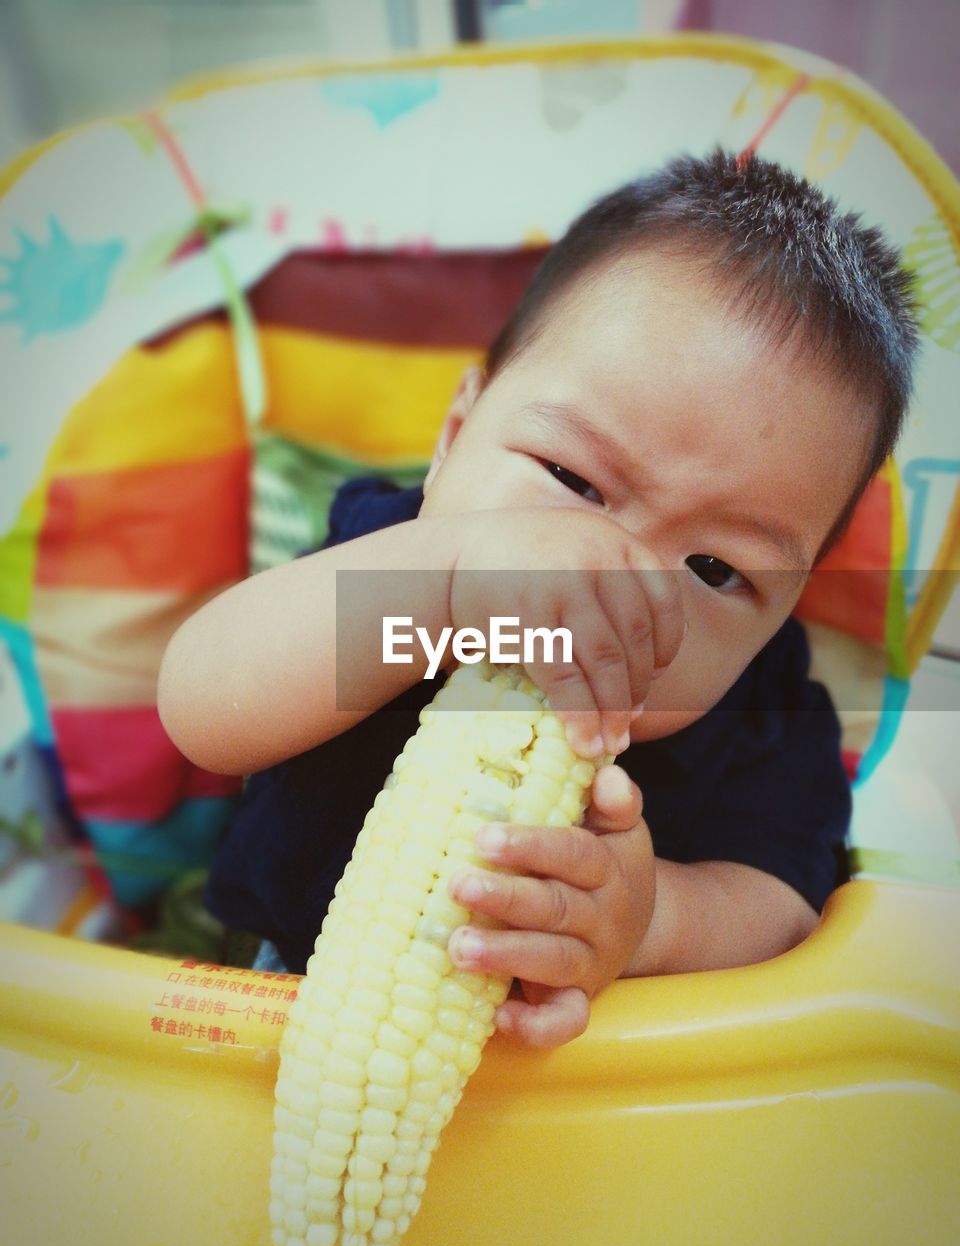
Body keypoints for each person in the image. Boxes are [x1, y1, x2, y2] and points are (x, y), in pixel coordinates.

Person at [158, 147, 918, 1050]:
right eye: (572, 479)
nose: (616, 576)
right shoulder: (391, 560)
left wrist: (652, 922)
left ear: (781, 613)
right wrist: (445, 582)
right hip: (284, 998)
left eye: (715, 570)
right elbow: (201, 704)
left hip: (589, 1074)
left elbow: (788, 905)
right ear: (452, 440)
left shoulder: (765, 708)